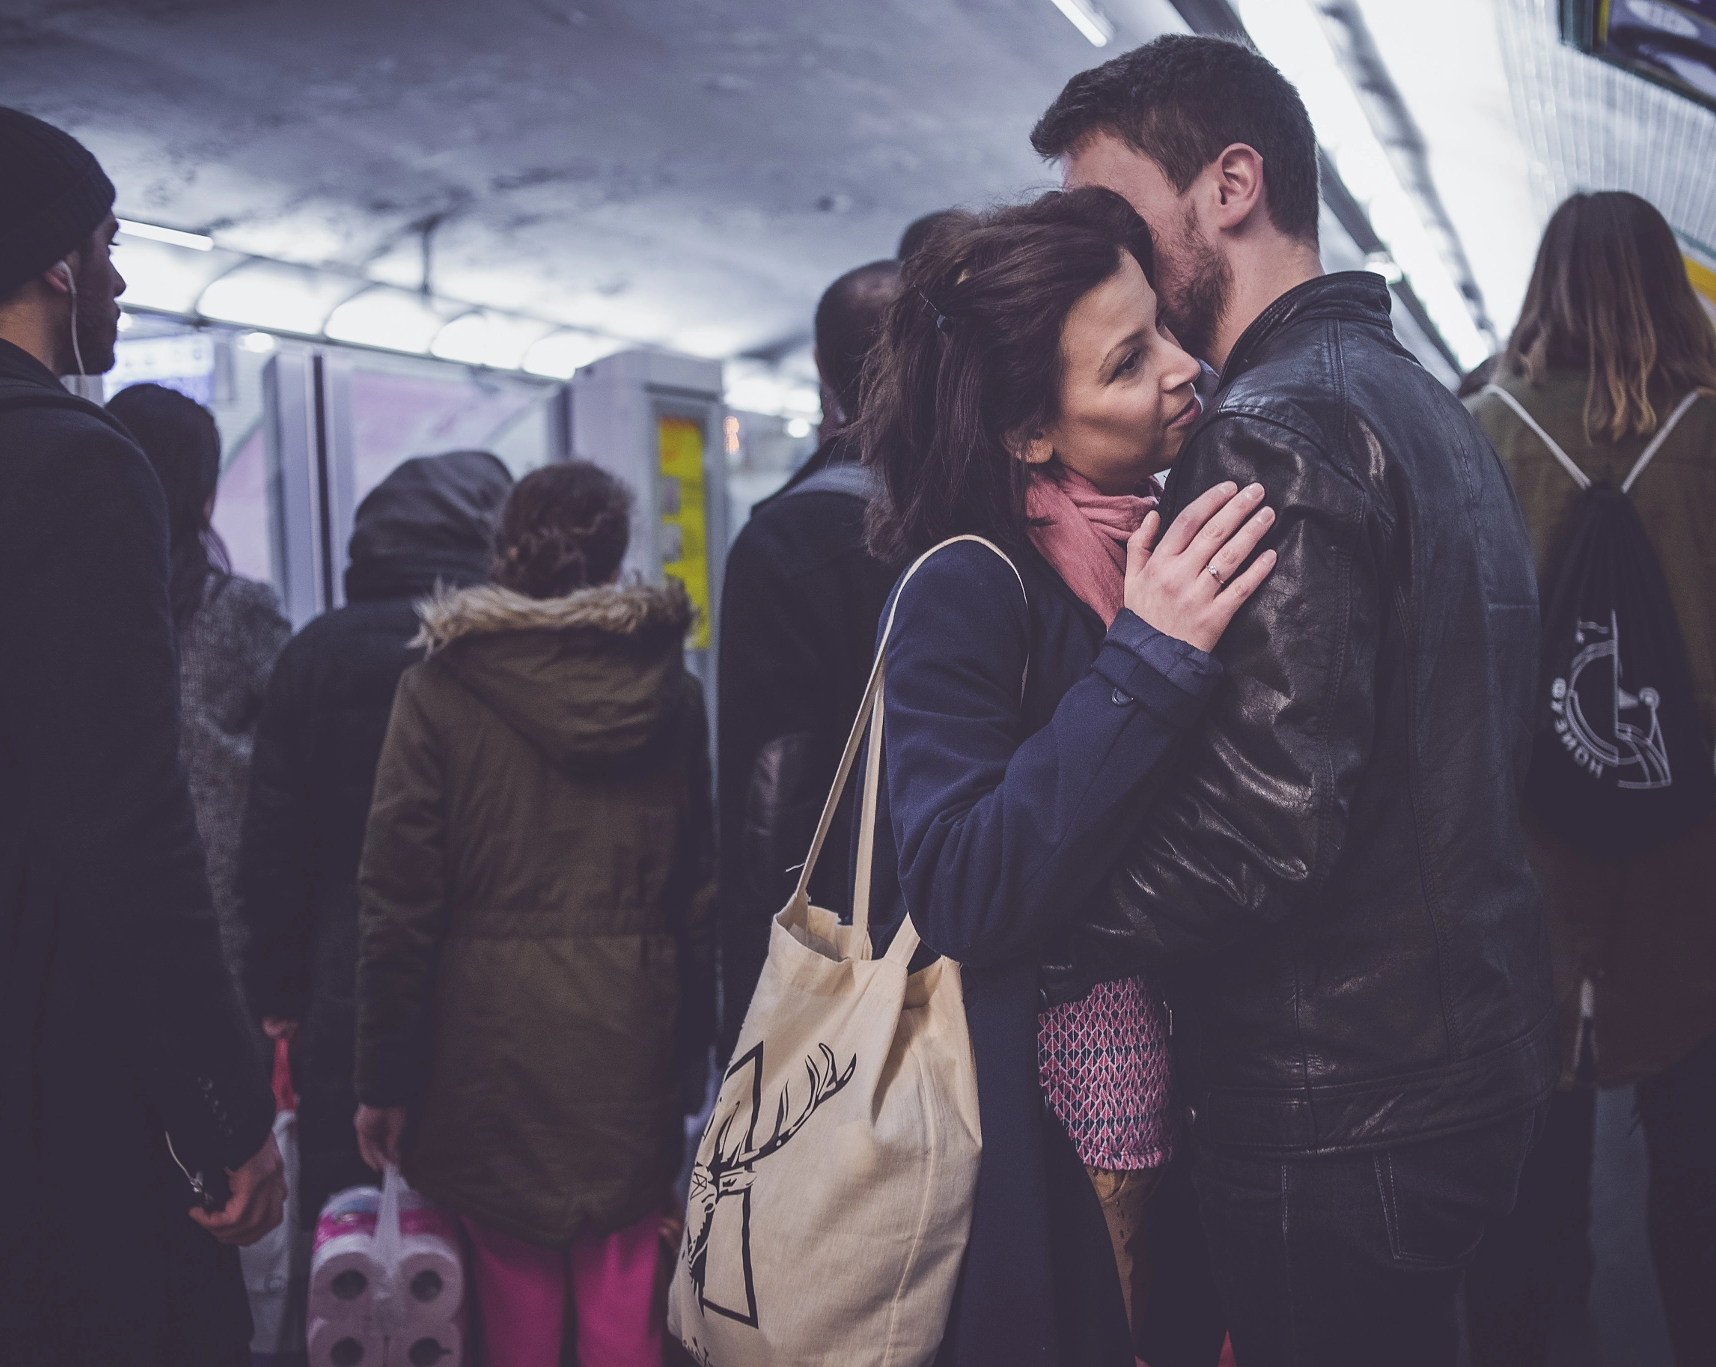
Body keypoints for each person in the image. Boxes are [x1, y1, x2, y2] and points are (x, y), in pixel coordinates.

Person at [1030, 37, 1555, 1367]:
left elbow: (1262, 822)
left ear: (1231, 185)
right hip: (1455, 1059)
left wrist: (1042, 917)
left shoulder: (1273, 428)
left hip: (1333, 1101)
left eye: (1117, 212)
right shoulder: (1428, 406)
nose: (1110, 255)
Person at [853, 186, 1274, 1367]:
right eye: (1129, 361)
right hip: (1048, 1141)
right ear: (1030, 433)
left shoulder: (1144, 531)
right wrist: (1149, 657)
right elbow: (959, 881)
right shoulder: (966, 586)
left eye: (1166, 330)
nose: (1186, 369)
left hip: (1182, 1104)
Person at [0, 105, 281, 1364]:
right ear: (56, 263)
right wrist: (225, 1108)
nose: (120, 276)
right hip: (47, 1072)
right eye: (109, 241)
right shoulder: (73, 464)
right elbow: (122, 823)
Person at [1463, 191, 1716, 1366]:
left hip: (1523, 875)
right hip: (1693, 870)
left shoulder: (1480, 429)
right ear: (1671, 288)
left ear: (1543, 282)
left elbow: (1441, 675)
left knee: (1531, 1156)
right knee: (1691, 1148)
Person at [352, 461, 716, 1367]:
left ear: (504, 548)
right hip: (628, 1039)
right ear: (615, 553)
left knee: (510, 1301)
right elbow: (697, 895)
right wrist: (689, 1063)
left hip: (484, 1053)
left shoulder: (438, 688)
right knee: (625, 1288)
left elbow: (397, 899)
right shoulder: (673, 694)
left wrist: (383, 1075)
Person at [238, 449, 513, 1222]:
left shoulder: (312, 653)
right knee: (480, 1226)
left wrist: (280, 992)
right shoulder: (501, 647)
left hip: (345, 973)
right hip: (485, 977)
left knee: (356, 1216)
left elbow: (273, 845)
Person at [717, 259, 903, 1059]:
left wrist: (753, 1010)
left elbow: (773, 794)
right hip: (967, 933)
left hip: (833, 947)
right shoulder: (997, 512)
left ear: (826, 382)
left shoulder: (781, 544)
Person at [108, 382, 291, 1004]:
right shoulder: (238, 609)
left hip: (103, 884)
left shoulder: (68, 605)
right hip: (221, 889)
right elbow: (289, 754)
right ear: (202, 496)